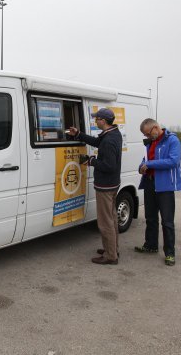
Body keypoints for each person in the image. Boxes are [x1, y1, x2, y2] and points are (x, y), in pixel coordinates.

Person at [68, 108, 122, 265]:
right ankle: (112, 249)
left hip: (106, 185)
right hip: (112, 184)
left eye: (96, 119)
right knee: (111, 219)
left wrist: (90, 161)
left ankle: (111, 256)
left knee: (105, 222)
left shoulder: (109, 140)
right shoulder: (113, 134)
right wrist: (79, 134)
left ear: (103, 121)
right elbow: (98, 142)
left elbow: (109, 165)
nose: (95, 121)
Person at [136, 118, 181, 266]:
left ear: (156, 128)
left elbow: (173, 161)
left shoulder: (172, 141)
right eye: (145, 135)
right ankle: (151, 245)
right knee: (150, 218)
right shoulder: (150, 142)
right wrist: (141, 166)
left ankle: (170, 253)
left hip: (165, 186)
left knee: (167, 222)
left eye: (148, 134)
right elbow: (145, 159)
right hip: (150, 183)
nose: (147, 137)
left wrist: (149, 164)